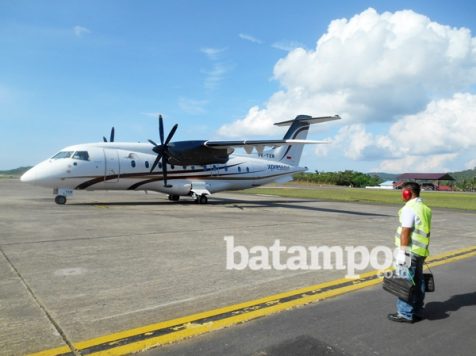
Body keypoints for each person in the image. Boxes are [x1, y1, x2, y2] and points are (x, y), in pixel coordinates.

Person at [388, 182, 432, 323]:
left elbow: (406, 231)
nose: (402, 194)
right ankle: (417, 310)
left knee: (404, 282)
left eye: (402, 192)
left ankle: (405, 313)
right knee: (418, 282)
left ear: (408, 193)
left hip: (409, 251)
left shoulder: (409, 208)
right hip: (421, 251)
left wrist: (403, 251)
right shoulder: (425, 208)